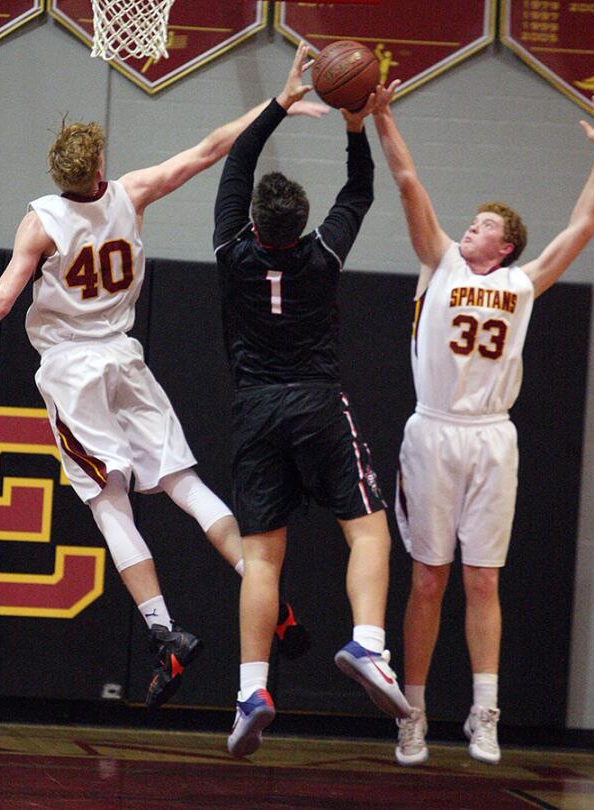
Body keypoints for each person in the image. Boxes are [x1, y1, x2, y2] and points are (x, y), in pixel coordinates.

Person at [0, 50, 328, 710]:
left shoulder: (41, 221)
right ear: (98, 168)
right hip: (125, 358)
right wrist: (276, 105)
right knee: (186, 484)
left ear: (58, 174)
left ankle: (163, 632)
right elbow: (213, 147)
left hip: (72, 373)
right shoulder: (132, 192)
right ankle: (260, 584)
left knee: (110, 504)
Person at [369, 84, 594, 765]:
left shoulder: (522, 284)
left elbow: (583, 228)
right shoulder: (440, 261)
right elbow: (409, 180)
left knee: (484, 581)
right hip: (433, 432)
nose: (470, 228)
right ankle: (412, 713)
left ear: (504, 248)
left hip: (491, 437)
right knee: (428, 580)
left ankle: (484, 711)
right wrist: (385, 117)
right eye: (471, 222)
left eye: (483, 226)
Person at [212, 45, 411, 758]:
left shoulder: (231, 250)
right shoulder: (322, 256)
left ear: (257, 222)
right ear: (299, 225)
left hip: (256, 409)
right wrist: (355, 125)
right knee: (367, 531)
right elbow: (358, 195)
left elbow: (237, 162)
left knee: (262, 559)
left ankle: (252, 690)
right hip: (316, 403)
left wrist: (281, 101)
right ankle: (366, 645)